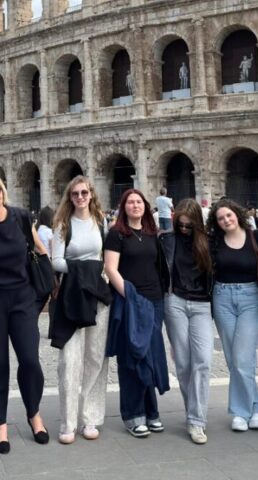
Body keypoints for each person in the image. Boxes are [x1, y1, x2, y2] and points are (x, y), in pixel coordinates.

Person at [0, 171, 48, 453]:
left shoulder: (21, 217)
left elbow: (40, 249)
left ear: (3, 191)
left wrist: (42, 288)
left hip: (22, 297)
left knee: (30, 359)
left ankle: (33, 413)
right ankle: (0, 425)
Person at [49, 176, 111, 445]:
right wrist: (85, 269)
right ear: (69, 197)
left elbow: (104, 255)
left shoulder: (101, 221)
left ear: (91, 194)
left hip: (97, 294)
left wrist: (95, 271)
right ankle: (68, 422)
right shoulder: (63, 225)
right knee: (70, 361)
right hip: (73, 295)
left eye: (84, 192)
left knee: (95, 357)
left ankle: (90, 417)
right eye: (75, 194)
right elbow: (56, 261)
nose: (80, 197)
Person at [210, 198, 258, 435]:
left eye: (228, 215)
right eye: (220, 218)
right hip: (222, 297)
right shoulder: (215, 241)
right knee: (234, 359)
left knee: (242, 357)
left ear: (237, 215)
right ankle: (255, 408)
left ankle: (241, 411)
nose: (226, 220)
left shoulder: (255, 236)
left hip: (251, 298)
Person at [104, 188, 169, 438]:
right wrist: (130, 296)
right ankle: (133, 413)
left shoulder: (152, 234)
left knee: (149, 356)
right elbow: (111, 269)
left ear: (145, 206)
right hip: (130, 300)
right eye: (130, 202)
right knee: (132, 357)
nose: (135, 205)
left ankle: (151, 411)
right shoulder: (116, 234)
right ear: (124, 207)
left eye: (139, 202)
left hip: (154, 301)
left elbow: (159, 266)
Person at [163, 199, 214, 444]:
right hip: (176, 302)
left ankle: (196, 420)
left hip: (202, 304)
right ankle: (194, 415)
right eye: (180, 225)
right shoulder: (167, 240)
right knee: (183, 363)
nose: (184, 229)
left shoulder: (209, 241)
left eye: (188, 226)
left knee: (203, 360)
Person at [154, 188, 174, 265]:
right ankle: (167, 246)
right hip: (167, 216)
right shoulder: (167, 199)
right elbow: (172, 208)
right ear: (165, 192)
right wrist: (173, 210)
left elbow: (157, 206)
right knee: (168, 232)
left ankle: (162, 244)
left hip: (160, 216)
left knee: (162, 231)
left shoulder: (157, 199)